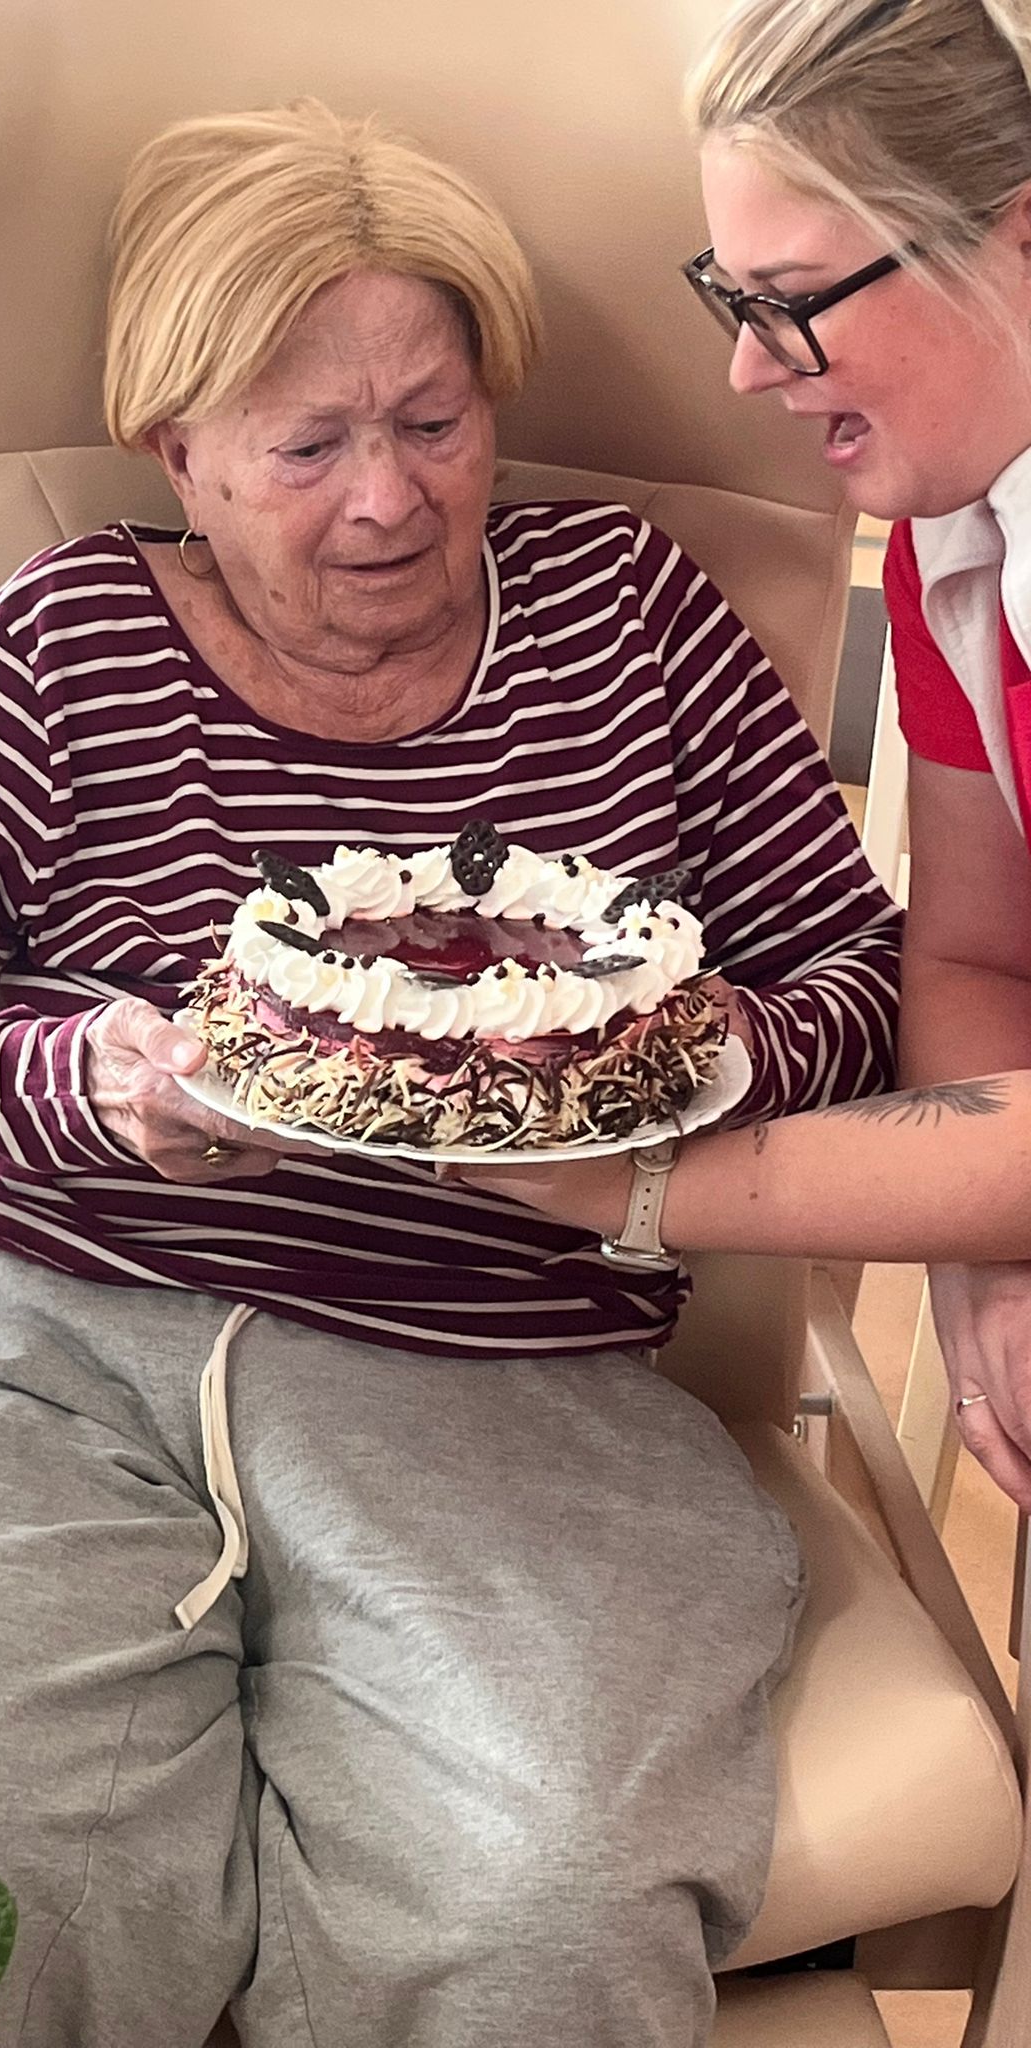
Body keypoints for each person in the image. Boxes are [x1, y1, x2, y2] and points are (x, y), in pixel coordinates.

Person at [0, 100, 900, 2048]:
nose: (388, 501)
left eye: (436, 422)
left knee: (542, 1910)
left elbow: (859, 972)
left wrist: (659, 1060)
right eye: (307, 445)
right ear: (176, 445)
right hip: (45, 1359)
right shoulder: (67, 645)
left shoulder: (634, 620)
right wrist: (83, 1083)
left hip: (513, 1390)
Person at [460, 0, 1031, 1513]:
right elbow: (976, 957)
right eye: (731, 296)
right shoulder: (955, 551)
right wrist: (987, 1256)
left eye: (792, 300)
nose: (748, 373)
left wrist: (622, 1183)